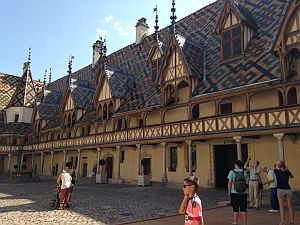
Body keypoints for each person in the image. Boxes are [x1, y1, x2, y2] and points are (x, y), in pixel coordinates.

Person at [228, 160, 248, 225]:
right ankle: (244, 223)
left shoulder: (232, 172)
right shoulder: (244, 172)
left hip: (234, 192)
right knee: (243, 209)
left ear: (236, 164)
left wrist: (229, 191)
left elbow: (230, 183)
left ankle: (235, 222)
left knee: (235, 209)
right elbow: (246, 182)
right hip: (243, 193)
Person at [274, 161, 294, 225]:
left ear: (279, 166)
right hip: (288, 189)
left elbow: (274, 166)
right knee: (290, 206)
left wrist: (275, 163)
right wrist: (288, 170)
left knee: (281, 207)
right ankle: (292, 221)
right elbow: (292, 176)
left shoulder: (276, 171)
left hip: (280, 190)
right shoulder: (287, 172)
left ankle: (283, 222)